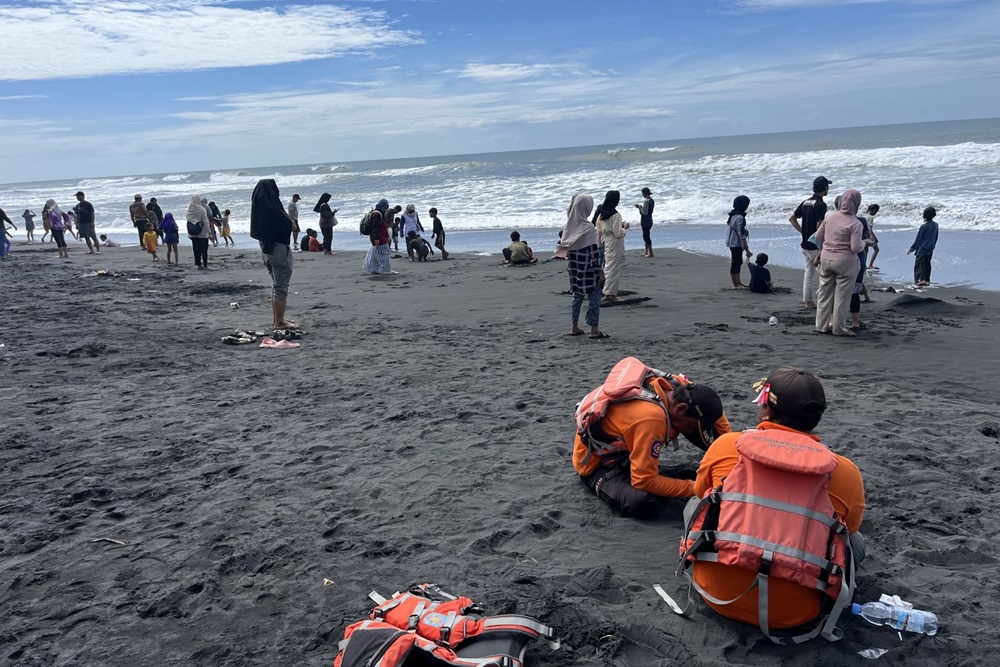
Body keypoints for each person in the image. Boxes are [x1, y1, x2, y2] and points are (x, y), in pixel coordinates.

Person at [685, 367, 865, 641]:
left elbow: (700, 492)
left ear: (766, 411)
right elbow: (850, 527)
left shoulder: (727, 445)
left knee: (697, 503)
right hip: (795, 615)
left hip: (715, 593)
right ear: (816, 418)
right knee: (856, 540)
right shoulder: (845, 472)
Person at [572, 357, 730, 518]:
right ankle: (607, 481)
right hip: (598, 465)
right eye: (692, 426)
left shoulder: (678, 386)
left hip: (627, 453)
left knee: (692, 473)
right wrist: (697, 489)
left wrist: (729, 449)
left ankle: (658, 474)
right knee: (642, 502)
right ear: (681, 409)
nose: (691, 431)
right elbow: (643, 480)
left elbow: (714, 411)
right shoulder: (651, 418)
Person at [814, 189, 864, 336]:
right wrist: (864, 243)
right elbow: (855, 247)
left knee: (824, 294)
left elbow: (818, 236)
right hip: (846, 262)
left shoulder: (830, 217)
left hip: (826, 258)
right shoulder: (856, 223)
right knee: (842, 297)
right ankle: (839, 328)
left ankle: (821, 325)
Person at [250, 179, 297, 330]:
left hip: (266, 250)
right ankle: (279, 322)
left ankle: (277, 318)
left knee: (276, 286)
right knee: (281, 287)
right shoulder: (274, 210)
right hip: (278, 250)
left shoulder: (259, 211)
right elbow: (291, 225)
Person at [557, 194, 606, 339]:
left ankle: (574, 327)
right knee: (594, 299)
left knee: (576, 298)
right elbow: (593, 253)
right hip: (589, 269)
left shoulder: (569, 227)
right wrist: (601, 272)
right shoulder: (589, 228)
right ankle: (594, 330)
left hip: (574, 269)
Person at [789, 176, 832, 309]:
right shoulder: (821, 205)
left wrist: (803, 231)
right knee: (824, 273)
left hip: (805, 243)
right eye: (827, 186)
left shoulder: (806, 202)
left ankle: (808, 300)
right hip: (815, 246)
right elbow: (820, 226)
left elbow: (792, 218)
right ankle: (823, 299)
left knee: (808, 273)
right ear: (825, 188)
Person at [595, 190, 628, 301]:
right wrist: (625, 228)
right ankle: (610, 293)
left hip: (607, 240)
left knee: (609, 266)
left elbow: (598, 229)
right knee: (615, 267)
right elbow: (618, 233)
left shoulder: (602, 214)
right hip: (615, 242)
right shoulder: (616, 215)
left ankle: (607, 291)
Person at [362, 199, 397, 275]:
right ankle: (386, 270)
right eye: (386, 207)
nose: (386, 209)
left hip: (376, 237)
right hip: (380, 237)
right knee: (384, 253)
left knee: (375, 253)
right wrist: (377, 238)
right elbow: (375, 227)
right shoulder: (377, 214)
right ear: (383, 206)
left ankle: (374, 268)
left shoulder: (375, 213)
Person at [725, 195, 752, 289]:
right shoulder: (740, 217)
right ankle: (735, 284)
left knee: (738, 262)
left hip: (732, 242)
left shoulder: (733, 215)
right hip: (735, 243)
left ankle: (738, 282)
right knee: (736, 262)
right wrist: (747, 249)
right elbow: (741, 234)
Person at [908, 206, 939, 286]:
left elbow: (919, 239)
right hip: (930, 248)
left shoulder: (923, 226)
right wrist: (933, 245)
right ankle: (927, 279)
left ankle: (920, 280)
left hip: (922, 248)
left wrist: (912, 248)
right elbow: (936, 237)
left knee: (919, 265)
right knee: (927, 264)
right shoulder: (935, 225)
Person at [187, 195, 211, 269]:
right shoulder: (202, 210)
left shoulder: (189, 211)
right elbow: (205, 222)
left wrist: (189, 233)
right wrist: (209, 231)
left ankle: (198, 265)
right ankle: (205, 265)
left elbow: (188, 222)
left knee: (196, 250)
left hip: (193, 233)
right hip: (203, 233)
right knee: (204, 250)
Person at [635, 187, 655, 258]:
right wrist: (641, 208)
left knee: (646, 237)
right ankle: (647, 252)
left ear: (645, 193)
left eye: (642, 193)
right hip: (650, 219)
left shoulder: (646, 201)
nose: (642, 195)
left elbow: (644, 213)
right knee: (646, 235)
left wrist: (639, 208)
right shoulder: (652, 200)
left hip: (645, 221)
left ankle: (650, 253)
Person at [864, 204, 881, 269]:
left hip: (864, 236)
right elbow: (870, 229)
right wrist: (873, 238)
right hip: (869, 236)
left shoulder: (865, 216)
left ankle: (864, 265)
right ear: (874, 210)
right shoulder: (870, 217)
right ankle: (870, 264)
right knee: (876, 249)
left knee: (865, 250)